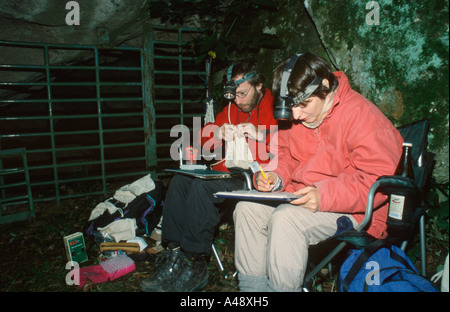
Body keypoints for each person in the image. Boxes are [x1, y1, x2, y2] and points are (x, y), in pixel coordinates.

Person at [233, 52, 404, 292]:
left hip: (356, 209)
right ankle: (253, 293)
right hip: (301, 196)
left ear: (324, 87)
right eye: (291, 107)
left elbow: (380, 181)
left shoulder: (361, 115)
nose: (295, 115)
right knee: (246, 210)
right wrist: (276, 177)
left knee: (286, 219)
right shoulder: (297, 117)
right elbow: (285, 155)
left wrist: (323, 195)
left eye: (303, 105)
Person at [140, 58, 278, 292]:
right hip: (228, 172)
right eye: (234, 95)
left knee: (203, 189)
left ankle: (195, 263)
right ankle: (174, 255)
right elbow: (202, 139)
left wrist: (262, 135)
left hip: (256, 177)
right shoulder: (232, 109)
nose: (238, 100)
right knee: (182, 180)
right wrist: (217, 133)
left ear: (259, 85)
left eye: (243, 94)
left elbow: (289, 147)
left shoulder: (275, 108)